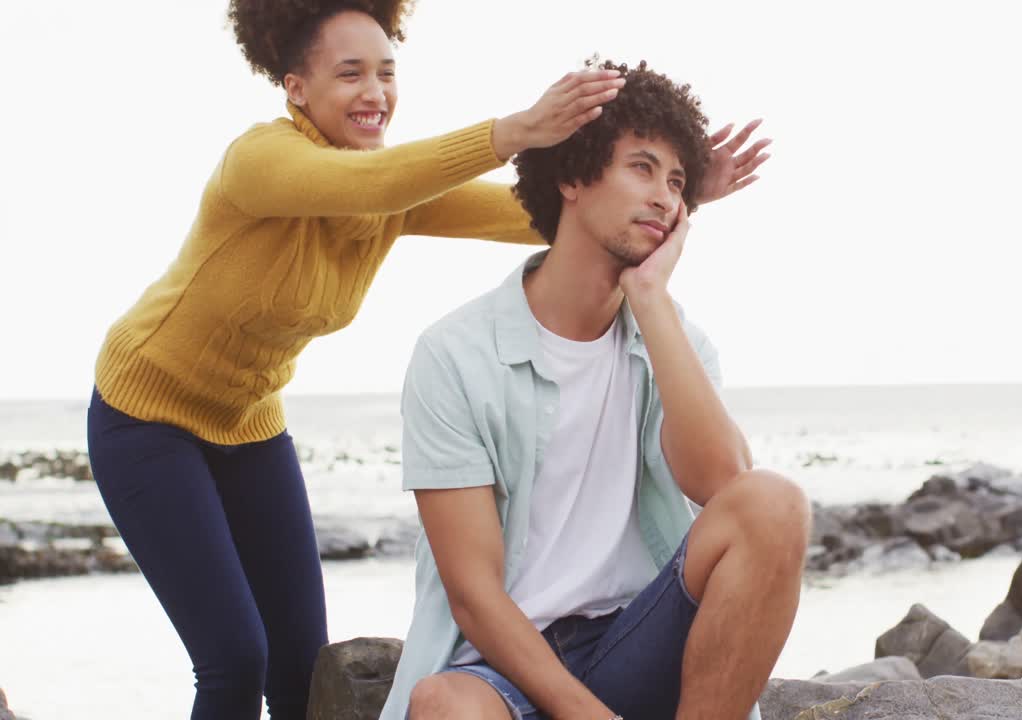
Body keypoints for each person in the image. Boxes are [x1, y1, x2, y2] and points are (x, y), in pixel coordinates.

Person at [85, 3, 765, 718]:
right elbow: (368, 184)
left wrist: (665, 200)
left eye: (386, 73)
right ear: (295, 88)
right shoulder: (258, 163)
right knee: (234, 659)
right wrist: (515, 131)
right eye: (350, 74)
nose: (375, 92)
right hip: (146, 415)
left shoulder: (393, 196)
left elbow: (552, 216)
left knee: (299, 665)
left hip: (249, 422)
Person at [383, 59, 806, 720]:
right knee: (443, 706)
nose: (665, 198)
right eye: (642, 168)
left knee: (775, 503)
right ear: (573, 177)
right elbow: (473, 596)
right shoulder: (454, 355)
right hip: (508, 666)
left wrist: (650, 298)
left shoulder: (678, 343)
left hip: (637, 639)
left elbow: (726, 485)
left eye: (677, 182)